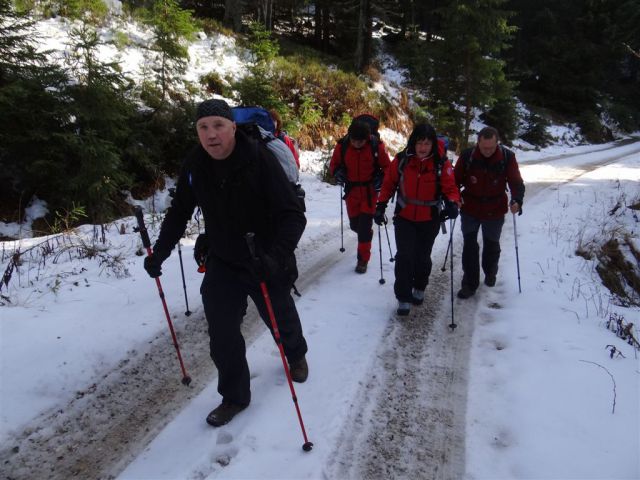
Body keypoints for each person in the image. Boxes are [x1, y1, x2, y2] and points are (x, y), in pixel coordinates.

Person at [143, 99, 309, 427]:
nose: (211, 134)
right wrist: (159, 252)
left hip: (264, 255)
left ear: (233, 127)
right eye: (203, 127)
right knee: (222, 334)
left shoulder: (258, 159)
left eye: (218, 125)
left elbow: (293, 215)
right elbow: (179, 213)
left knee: (280, 316)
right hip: (222, 258)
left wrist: (276, 257)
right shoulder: (195, 164)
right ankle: (234, 396)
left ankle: (296, 353)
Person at [375, 123, 461, 316]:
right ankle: (403, 297)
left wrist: (453, 203)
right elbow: (389, 183)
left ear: (432, 145)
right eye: (420, 143)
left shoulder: (441, 163)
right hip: (404, 217)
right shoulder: (402, 160)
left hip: (429, 218)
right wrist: (380, 206)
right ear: (413, 142)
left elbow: (450, 188)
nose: (423, 147)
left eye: (427, 143)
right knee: (404, 257)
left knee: (422, 257)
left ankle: (420, 286)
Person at [454, 126, 525, 299]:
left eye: (491, 148)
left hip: (495, 208)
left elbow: (516, 183)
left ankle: (490, 271)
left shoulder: (507, 157)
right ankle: (470, 283)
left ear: (497, 143)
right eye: (484, 147)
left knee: (491, 245)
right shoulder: (467, 156)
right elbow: (454, 181)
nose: (487, 151)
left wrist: (517, 200)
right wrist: (454, 197)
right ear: (478, 142)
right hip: (470, 207)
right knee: (470, 245)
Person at [329, 120, 391, 273]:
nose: (357, 143)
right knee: (355, 225)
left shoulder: (377, 146)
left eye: (361, 141)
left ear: (367, 138)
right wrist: (337, 173)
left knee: (363, 228)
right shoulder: (342, 146)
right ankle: (366, 235)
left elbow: (388, 167)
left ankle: (362, 260)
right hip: (352, 192)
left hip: (370, 192)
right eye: (354, 140)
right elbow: (333, 165)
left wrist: (381, 178)